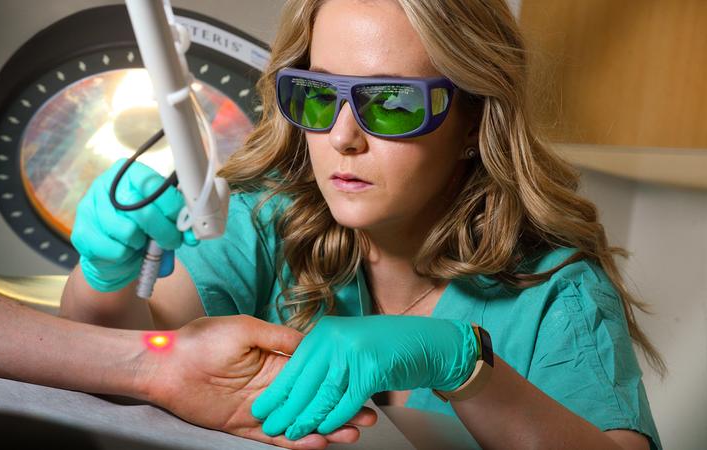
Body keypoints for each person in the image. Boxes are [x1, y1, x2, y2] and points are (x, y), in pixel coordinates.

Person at [61, 0, 664, 449]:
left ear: (473, 123)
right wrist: (104, 279)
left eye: (392, 104)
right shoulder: (267, 219)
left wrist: (465, 368)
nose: (343, 137)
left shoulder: (557, 293)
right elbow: (134, 359)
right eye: (319, 96)